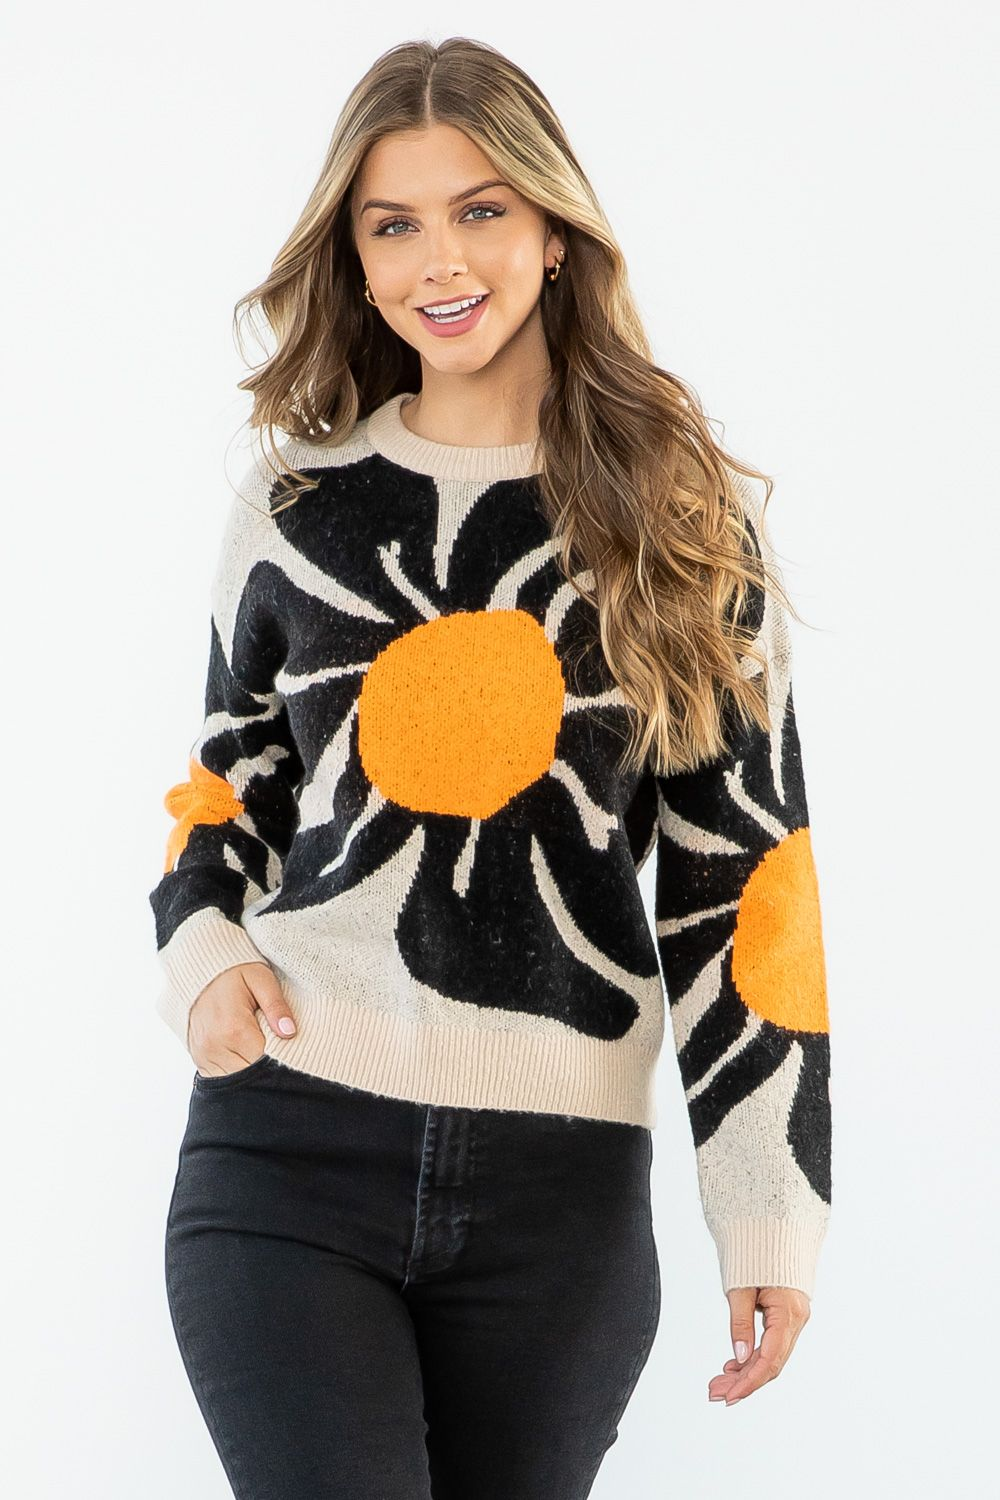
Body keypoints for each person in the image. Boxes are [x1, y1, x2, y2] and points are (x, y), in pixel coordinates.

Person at [151, 35, 832, 1500]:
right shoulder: (301, 500)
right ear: (354, 254)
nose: (438, 261)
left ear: (553, 229)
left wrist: (766, 1208)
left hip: (557, 1206)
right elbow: (228, 776)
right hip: (288, 1153)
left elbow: (743, 883)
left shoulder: (679, 521)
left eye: (480, 210)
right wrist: (202, 948)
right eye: (393, 224)